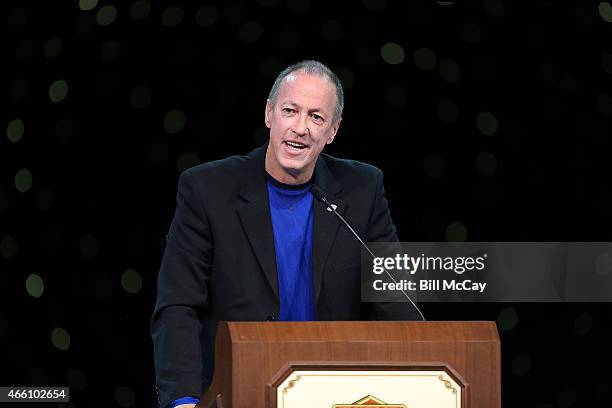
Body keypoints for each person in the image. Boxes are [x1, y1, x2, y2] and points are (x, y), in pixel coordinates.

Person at [151, 60, 422, 408]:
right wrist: (184, 400)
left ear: (333, 131)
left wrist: (424, 370)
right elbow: (179, 305)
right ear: (269, 114)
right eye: (290, 111)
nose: (300, 128)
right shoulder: (207, 189)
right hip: (235, 391)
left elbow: (395, 300)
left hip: (335, 394)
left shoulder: (362, 190)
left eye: (316, 117)